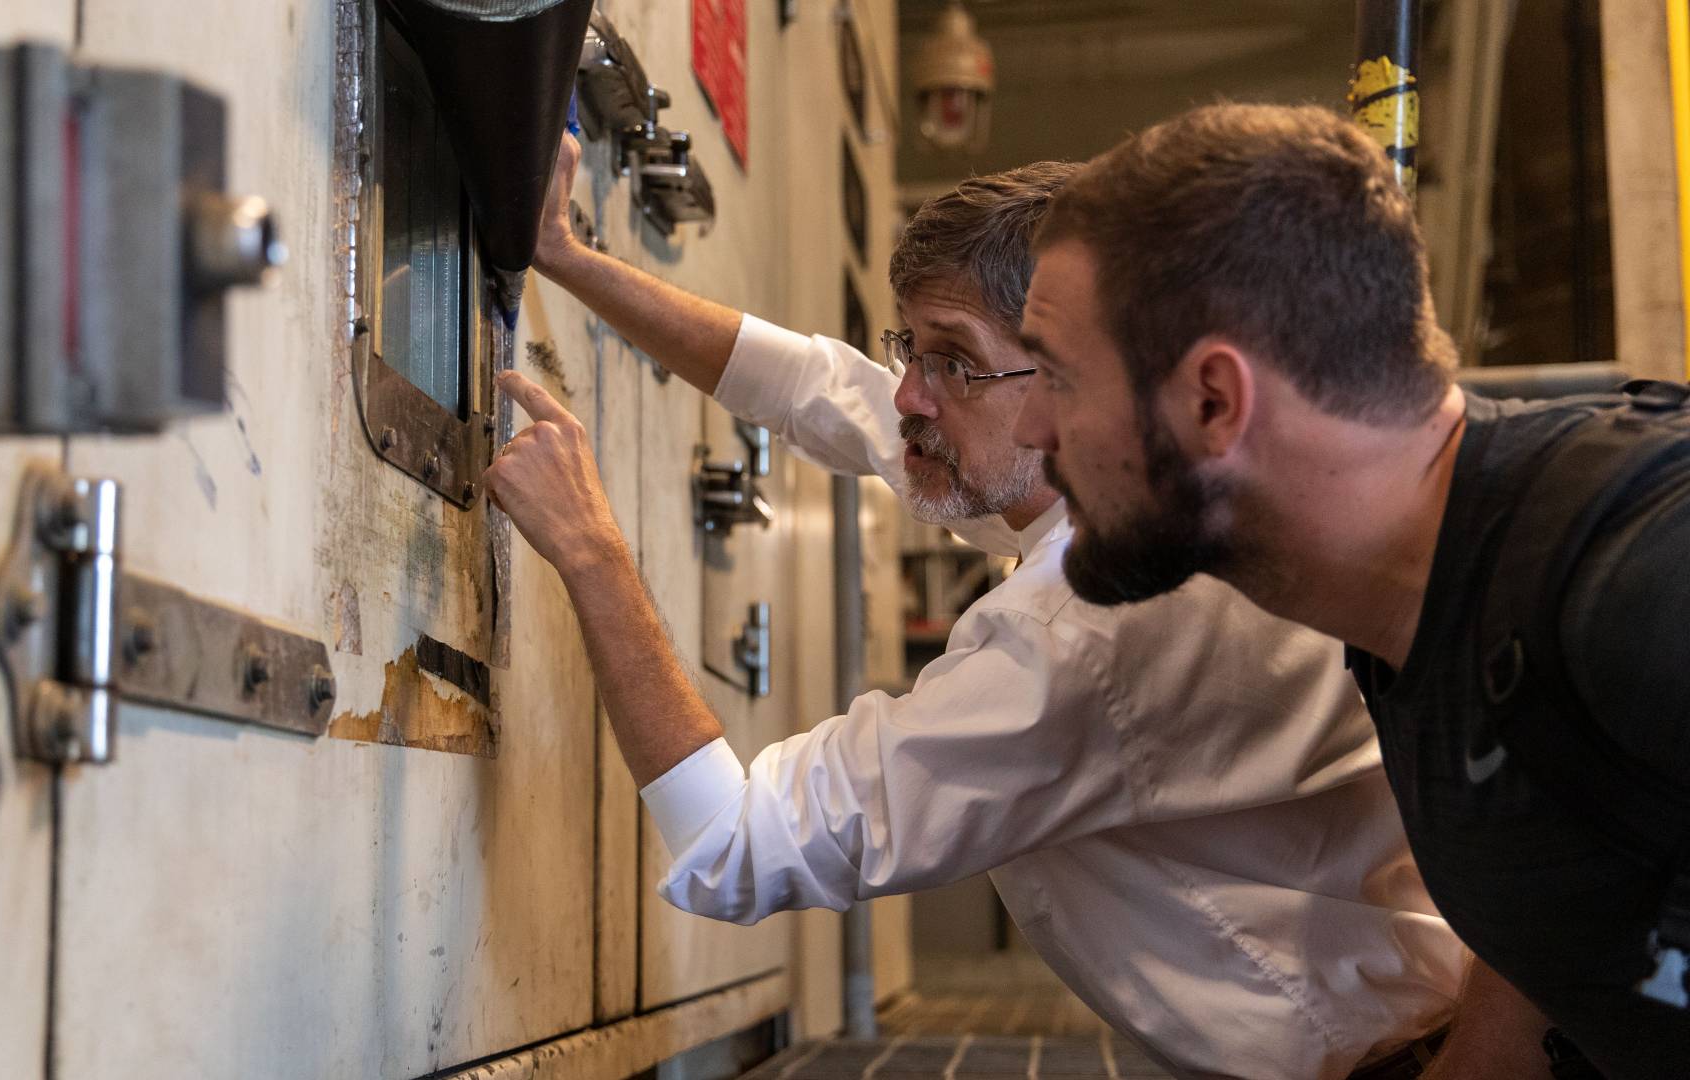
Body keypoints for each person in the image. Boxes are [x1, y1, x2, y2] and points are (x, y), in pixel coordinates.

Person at [485, 134, 1522, 1079]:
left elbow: (734, 845)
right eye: (912, 351)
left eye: (953, 363)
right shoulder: (1131, 490)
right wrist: (571, 259)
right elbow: (820, 390)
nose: (908, 397)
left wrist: (588, 548)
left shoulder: (1083, 627)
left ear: (1064, 380)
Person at [1010, 101, 1690, 1078]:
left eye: (1060, 377)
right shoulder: (1414, 607)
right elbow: (1568, 877)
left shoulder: (1632, 568)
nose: (1033, 424)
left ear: (1213, 400)